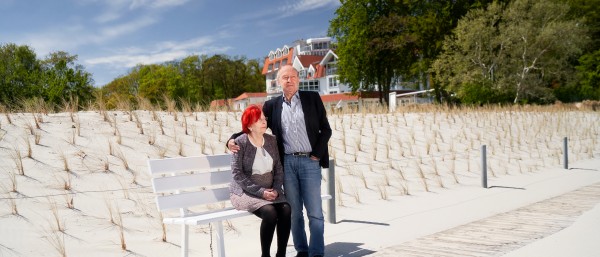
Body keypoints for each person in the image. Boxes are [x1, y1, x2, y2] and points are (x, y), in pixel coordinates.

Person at [228, 65, 332, 257]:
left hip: (310, 161)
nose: (289, 80)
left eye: (293, 76)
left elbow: (326, 130)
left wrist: (316, 154)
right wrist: (232, 138)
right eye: (285, 77)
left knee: (315, 212)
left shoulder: (312, 99)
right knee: (293, 211)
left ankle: (316, 253)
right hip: (287, 164)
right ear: (278, 82)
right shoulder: (272, 105)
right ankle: (302, 250)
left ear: (299, 79)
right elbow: (252, 126)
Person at [229, 105, 291, 257]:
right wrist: (261, 192)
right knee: (270, 212)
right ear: (250, 125)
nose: (264, 122)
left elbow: (278, 168)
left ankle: (281, 254)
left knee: (285, 209)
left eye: (264, 119)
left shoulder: (271, 140)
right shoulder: (240, 142)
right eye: (259, 119)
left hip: (270, 189)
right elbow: (237, 174)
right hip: (245, 191)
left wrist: (276, 188)